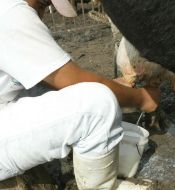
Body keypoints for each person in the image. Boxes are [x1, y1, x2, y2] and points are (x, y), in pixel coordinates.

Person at [0, 0, 160, 189]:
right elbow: (73, 80)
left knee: (59, 89)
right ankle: (100, 186)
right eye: (43, 6)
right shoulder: (11, 13)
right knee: (98, 106)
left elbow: (59, 80)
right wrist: (141, 99)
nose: (42, 16)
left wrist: (116, 87)